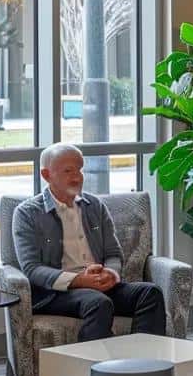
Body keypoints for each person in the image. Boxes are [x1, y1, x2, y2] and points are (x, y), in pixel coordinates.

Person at [12, 143, 166, 342]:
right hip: (57, 293)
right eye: (68, 171)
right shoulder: (27, 213)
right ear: (46, 175)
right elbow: (32, 269)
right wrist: (79, 281)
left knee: (150, 293)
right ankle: (93, 369)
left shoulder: (94, 206)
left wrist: (110, 273)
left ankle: (143, 363)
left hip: (99, 284)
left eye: (79, 169)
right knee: (98, 302)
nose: (77, 176)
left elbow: (113, 253)